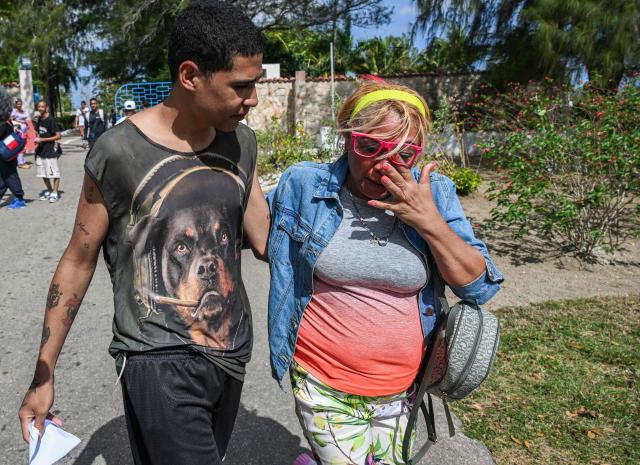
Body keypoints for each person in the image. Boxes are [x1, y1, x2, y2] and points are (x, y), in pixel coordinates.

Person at [18, 2, 269, 465]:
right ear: (190, 75)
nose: (252, 99)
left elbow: (264, 239)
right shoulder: (118, 151)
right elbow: (78, 259)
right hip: (157, 359)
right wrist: (44, 373)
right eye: (241, 86)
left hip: (231, 352)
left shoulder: (241, 143)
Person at [266, 80, 504, 465]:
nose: (384, 165)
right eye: (370, 146)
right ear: (346, 138)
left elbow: (478, 288)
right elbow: (253, 227)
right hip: (322, 379)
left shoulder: (437, 194)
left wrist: (429, 223)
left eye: (404, 153)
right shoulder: (304, 184)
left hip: (403, 388)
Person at [0, 88, 26, 209]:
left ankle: (20, 198)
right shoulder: (6, 121)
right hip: (5, 154)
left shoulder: (3, 124)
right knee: (3, 177)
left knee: (10, 175)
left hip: (6, 154)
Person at [33, 100, 62, 203]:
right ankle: (49, 191)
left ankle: (55, 192)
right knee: (43, 173)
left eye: (42, 107)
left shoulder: (51, 120)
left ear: (46, 108)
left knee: (54, 173)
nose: (40, 108)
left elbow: (58, 136)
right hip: (40, 151)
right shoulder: (39, 120)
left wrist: (43, 140)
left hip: (50, 150)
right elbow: (38, 133)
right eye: (38, 107)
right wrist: (37, 140)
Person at [10, 98, 30, 168]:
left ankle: (22, 161)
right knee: (19, 145)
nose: (20, 105)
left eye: (20, 104)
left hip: (24, 130)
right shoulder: (14, 111)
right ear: (15, 104)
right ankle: (20, 163)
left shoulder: (23, 111)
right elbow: (11, 119)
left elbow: (25, 119)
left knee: (23, 145)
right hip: (18, 130)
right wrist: (20, 122)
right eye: (18, 104)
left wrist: (26, 124)